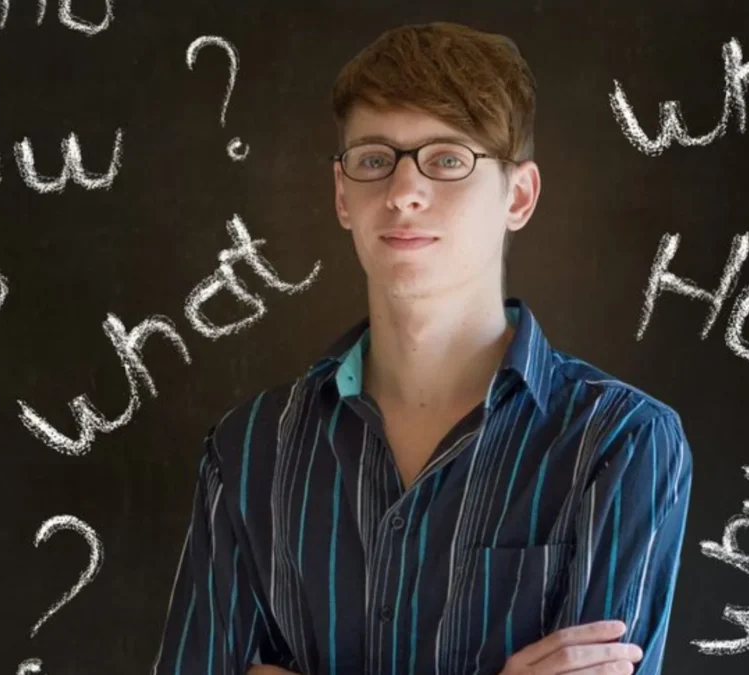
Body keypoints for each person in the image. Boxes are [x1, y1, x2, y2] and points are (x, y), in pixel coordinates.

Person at [151, 20, 693, 675]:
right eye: (374, 159)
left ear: (519, 196)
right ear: (342, 195)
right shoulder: (247, 452)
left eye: (448, 159)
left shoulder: (622, 442)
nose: (404, 191)